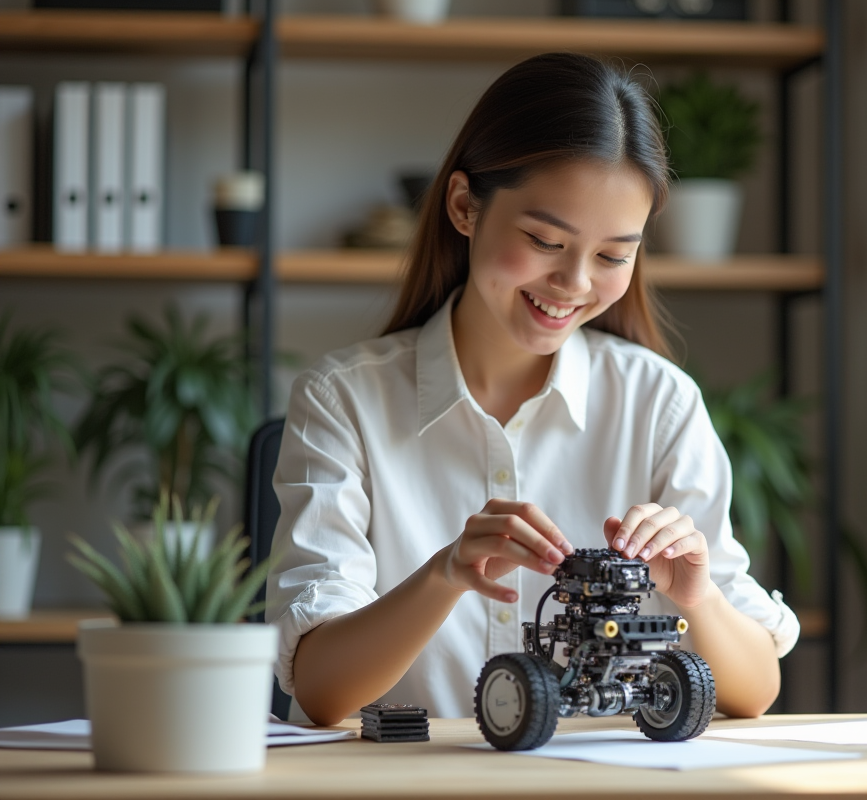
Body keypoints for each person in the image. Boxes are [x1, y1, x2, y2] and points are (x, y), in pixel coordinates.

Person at [266, 52, 800, 727]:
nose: (575, 284)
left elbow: (754, 691)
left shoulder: (658, 402)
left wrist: (699, 598)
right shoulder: (344, 399)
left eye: (612, 256)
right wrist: (445, 575)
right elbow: (321, 689)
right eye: (546, 240)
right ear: (464, 206)